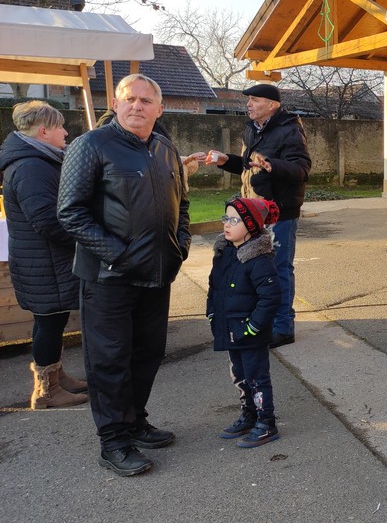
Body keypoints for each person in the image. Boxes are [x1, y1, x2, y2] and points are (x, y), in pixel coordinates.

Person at [57, 74, 191, 477]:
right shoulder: (91, 145)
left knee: (148, 353)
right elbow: (70, 212)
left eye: (146, 101)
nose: (137, 106)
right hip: (108, 278)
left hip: (157, 274)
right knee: (109, 360)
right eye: (129, 98)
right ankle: (114, 441)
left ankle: (135, 422)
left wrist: (180, 245)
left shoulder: (165, 148)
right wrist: (118, 255)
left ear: (159, 109)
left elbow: (182, 204)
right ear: (115, 104)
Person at [206, 83, 311, 350]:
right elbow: (247, 166)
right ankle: (262, 322)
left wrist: (271, 165)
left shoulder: (290, 129)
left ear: (272, 105)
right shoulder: (252, 129)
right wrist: (225, 160)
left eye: (255, 99)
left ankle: (283, 327)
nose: (249, 104)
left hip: (280, 211)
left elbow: (301, 169)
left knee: (279, 269)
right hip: (254, 211)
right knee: (258, 269)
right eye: (249, 99)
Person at [0, 101, 88, 410]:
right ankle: (47, 391)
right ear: (43, 131)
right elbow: (48, 221)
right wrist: (86, 236)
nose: (65, 132)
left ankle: (55, 376)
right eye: (60, 127)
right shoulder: (31, 167)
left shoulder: (36, 159)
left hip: (44, 260)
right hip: (44, 261)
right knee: (49, 322)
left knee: (52, 320)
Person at [207, 198, 282, 447]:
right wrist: (211, 314)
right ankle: (249, 414)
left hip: (250, 333)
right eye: (225, 218)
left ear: (250, 225)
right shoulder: (224, 254)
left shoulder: (259, 260)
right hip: (230, 330)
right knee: (239, 376)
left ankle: (266, 422)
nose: (227, 224)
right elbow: (214, 288)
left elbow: (270, 297)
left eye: (234, 220)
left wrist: (252, 327)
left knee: (256, 378)